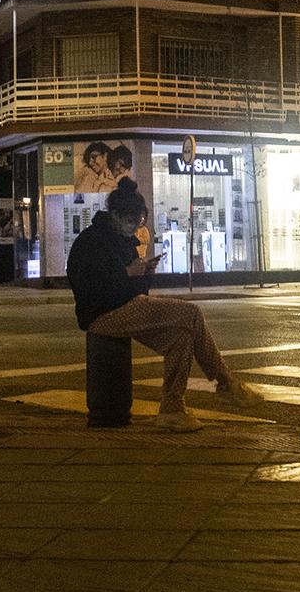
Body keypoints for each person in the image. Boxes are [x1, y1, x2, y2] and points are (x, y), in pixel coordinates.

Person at [67, 177, 262, 431]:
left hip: (127, 305)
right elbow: (90, 287)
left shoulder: (125, 241)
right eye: (130, 222)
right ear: (115, 215)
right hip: (103, 314)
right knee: (191, 313)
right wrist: (127, 273)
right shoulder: (92, 242)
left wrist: (143, 274)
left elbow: (132, 288)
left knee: (180, 339)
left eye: (138, 223)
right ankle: (226, 383)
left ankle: (172, 409)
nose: (134, 228)